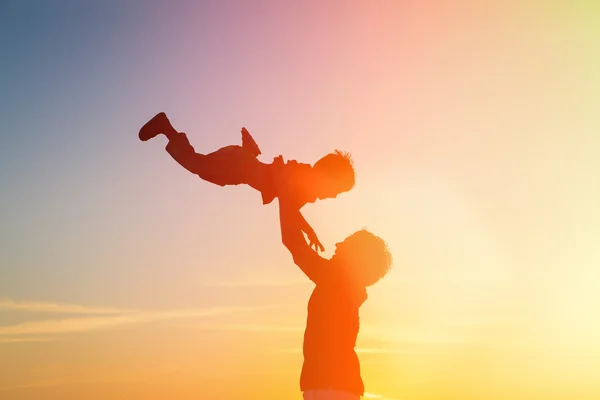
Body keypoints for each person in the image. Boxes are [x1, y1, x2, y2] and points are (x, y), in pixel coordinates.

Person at [139, 112, 355, 251]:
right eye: (337, 190)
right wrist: (307, 231)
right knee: (198, 166)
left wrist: (309, 231)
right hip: (239, 165)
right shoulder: (304, 178)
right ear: (327, 177)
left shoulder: (305, 184)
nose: (334, 196)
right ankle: (166, 127)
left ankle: (250, 153)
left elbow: (291, 209)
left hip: (241, 168)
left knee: (208, 171)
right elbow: (288, 204)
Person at [276, 171, 393, 400]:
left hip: (328, 388)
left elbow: (292, 241)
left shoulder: (335, 280)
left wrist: (283, 190)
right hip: (337, 386)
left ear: (355, 257)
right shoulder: (345, 285)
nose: (338, 243)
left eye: (346, 243)